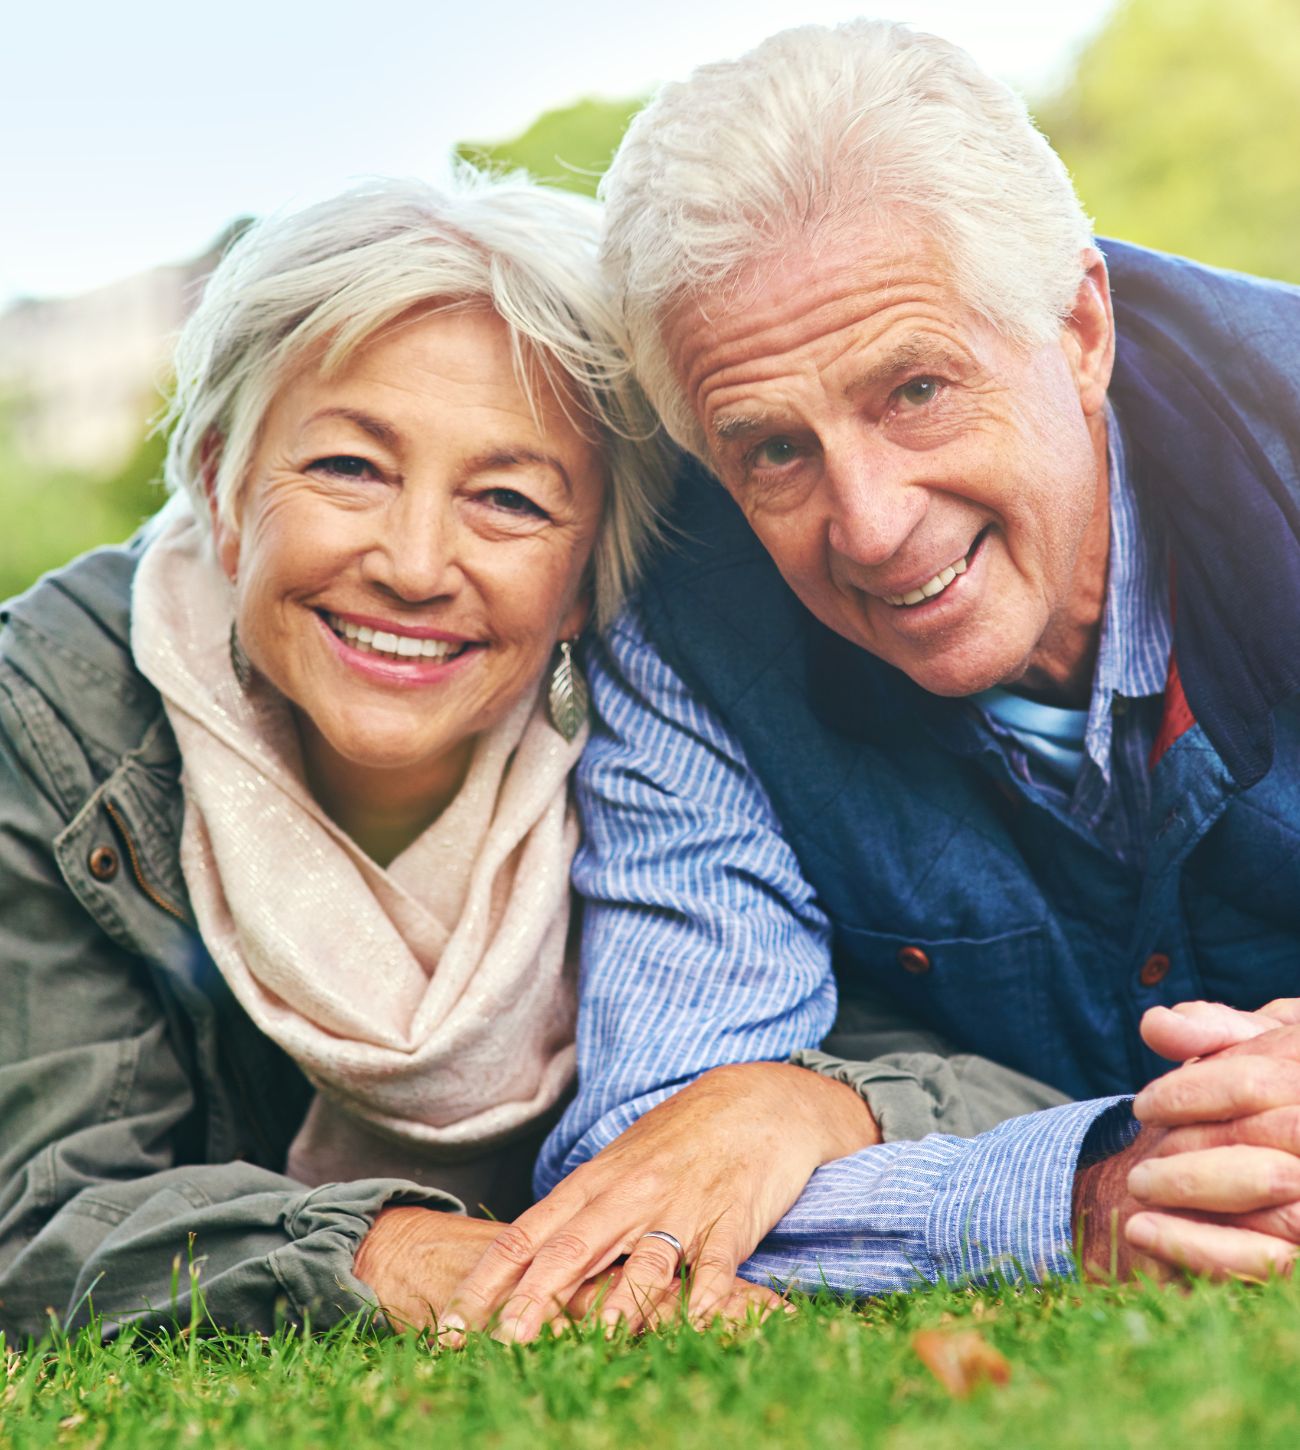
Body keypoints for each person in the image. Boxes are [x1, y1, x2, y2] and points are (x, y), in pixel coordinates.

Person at [441, 20, 1300, 1340]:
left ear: (1078, 327)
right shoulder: (685, 622)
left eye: (914, 388)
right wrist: (1088, 1196)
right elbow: (667, 1165)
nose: (873, 522)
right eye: (774, 449)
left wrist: (839, 1122)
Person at [0, 169, 788, 1342]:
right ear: (220, 486)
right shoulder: (49, 715)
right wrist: (433, 1258)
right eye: (348, 468)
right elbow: (41, 1215)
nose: (417, 564)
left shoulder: (681, 736)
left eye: (511, 499)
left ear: (588, 576)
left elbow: (952, 1048)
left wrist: (787, 1104)